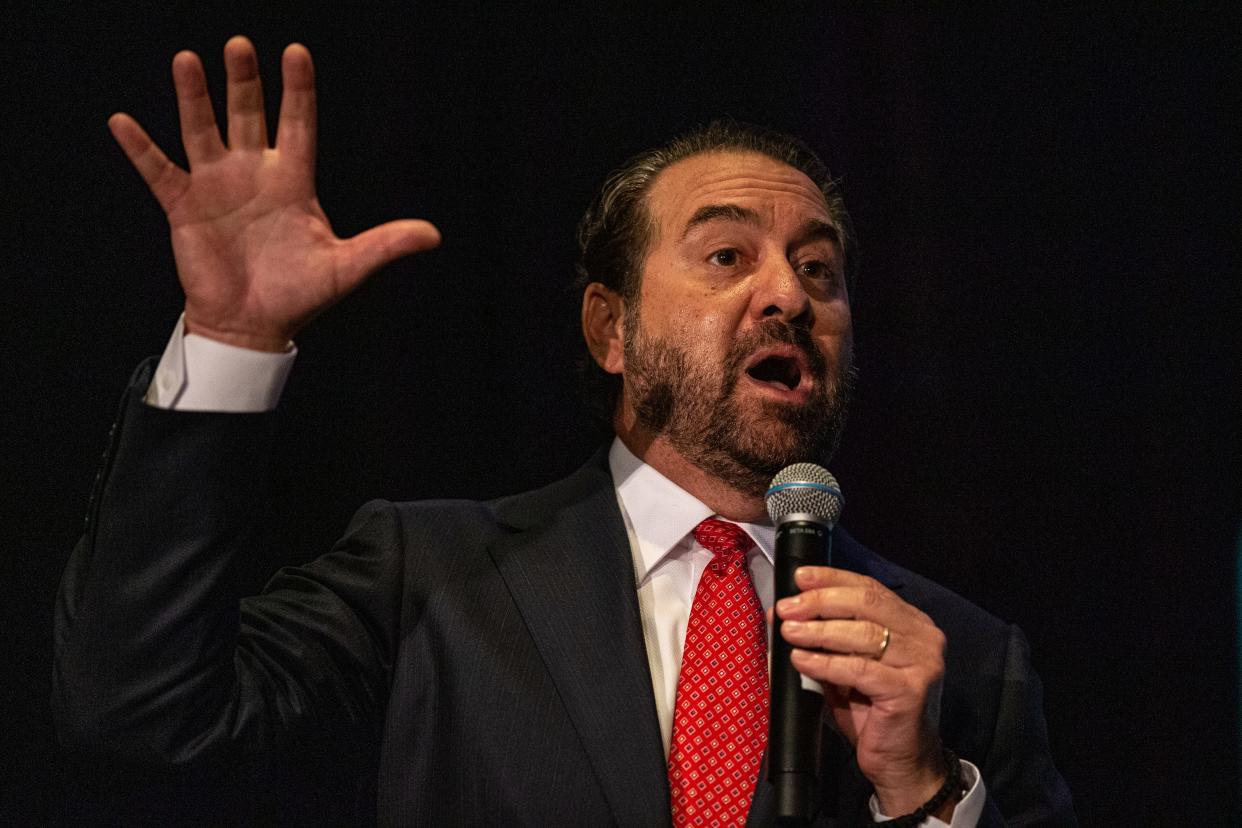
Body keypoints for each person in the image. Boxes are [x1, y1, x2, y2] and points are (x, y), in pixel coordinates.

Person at [53, 36, 1074, 826]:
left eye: (819, 271)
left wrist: (929, 795)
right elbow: (140, 717)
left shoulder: (966, 664)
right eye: (726, 256)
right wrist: (232, 339)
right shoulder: (431, 578)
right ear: (611, 328)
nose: (788, 297)